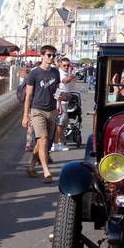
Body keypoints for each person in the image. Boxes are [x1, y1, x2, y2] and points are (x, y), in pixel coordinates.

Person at [23, 45, 61, 182]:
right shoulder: (34, 73)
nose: (51, 58)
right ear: (42, 55)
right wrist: (25, 115)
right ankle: (46, 171)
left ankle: (31, 165)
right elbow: (28, 95)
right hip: (37, 110)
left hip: (52, 110)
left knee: (43, 142)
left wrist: (60, 102)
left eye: (53, 55)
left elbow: (56, 91)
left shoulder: (55, 72)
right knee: (43, 139)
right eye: (49, 55)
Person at [51, 58, 76, 152]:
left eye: (68, 65)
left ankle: (60, 142)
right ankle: (56, 143)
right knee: (59, 123)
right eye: (64, 65)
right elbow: (65, 81)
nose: (66, 67)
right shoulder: (60, 73)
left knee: (63, 124)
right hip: (60, 101)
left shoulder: (65, 73)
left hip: (65, 100)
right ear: (60, 65)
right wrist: (72, 76)